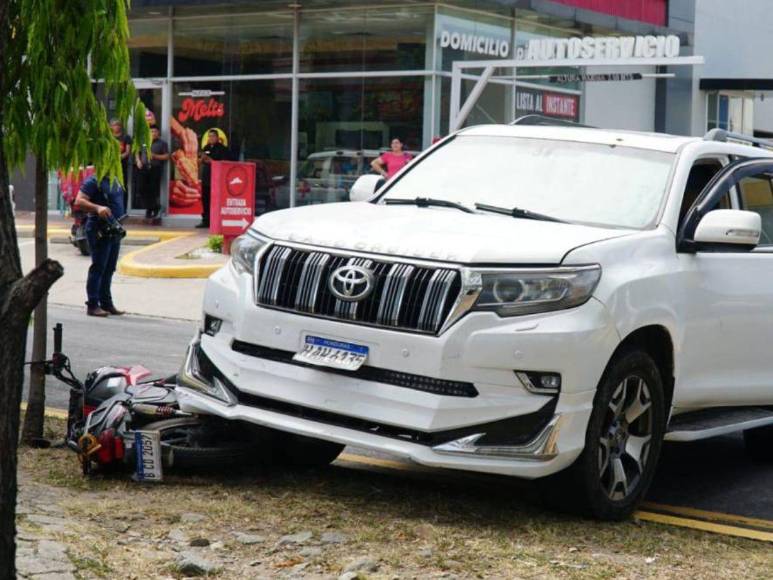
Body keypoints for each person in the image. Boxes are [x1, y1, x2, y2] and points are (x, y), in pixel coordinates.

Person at [74, 175, 126, 317]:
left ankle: (106, 303)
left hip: (114, 228)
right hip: (99, 227)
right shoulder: (93, 181)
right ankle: (92, 305)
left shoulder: (116, 180)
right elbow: (79, 200)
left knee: (109, 267)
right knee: (99, 267)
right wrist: (97, 208)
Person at [136, 126, 169, 224]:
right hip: (144, 167)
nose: (153, 133)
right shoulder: (144, 141)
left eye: (155, 131)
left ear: (158, 133)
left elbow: (167, 156)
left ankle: (151, 209)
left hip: (155, 168)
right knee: (141, 188)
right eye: (151, 131)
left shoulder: (162, 143)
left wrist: (155, 156)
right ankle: (153, 207)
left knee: (153, 189)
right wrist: (138, 160)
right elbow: (137, 152)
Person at [197, 129, 229, 228]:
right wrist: (201, 159)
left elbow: (221, 163)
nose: (211, 138)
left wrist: (210, 160)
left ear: (217, 138)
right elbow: (201, 161)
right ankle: (206, 220)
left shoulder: (222, 149)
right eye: (209, 136)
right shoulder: (206, 147)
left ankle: (215, 220)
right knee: (205, 199)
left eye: (213, 136)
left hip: (216, 179)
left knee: (215, 200)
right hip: (206, 178)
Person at [110, 119, 132, 207]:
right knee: (110, 185)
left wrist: (117, 158)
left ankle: (124, 208)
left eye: (118, 125)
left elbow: (127, 152)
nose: (117, 127)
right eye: (115, 125)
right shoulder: (108, 137)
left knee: (122, 186)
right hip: (110, 166)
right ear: (110, 126)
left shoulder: (126, 137)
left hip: (122, 165)